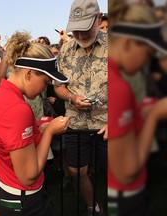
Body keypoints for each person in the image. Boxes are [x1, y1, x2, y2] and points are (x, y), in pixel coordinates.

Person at [0, 31, 69, 216]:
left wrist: (38, 129)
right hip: (24, 201)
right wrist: (49, 132)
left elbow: (8, 142)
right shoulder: (17, 109)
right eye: (45, 82)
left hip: (5, 187)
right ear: (29, 74)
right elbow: (28, 175)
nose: (45, 89)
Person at [108, 2, 167, 216]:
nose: (146, 62)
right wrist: (154, 116)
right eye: (148, 53)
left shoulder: (116, 77)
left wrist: (141, 110)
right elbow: (127, 172)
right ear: (128, 43)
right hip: (127, 198)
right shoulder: (118, 87)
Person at [54, 0, 107, 215]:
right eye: (75, 30)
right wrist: (72, 97)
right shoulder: (65, 50)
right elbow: (58, 87)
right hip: (76, 123)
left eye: (85, 28)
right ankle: (93, 207)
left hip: (107, 124)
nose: (81, 35)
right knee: (76, 170)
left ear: (98, 19)